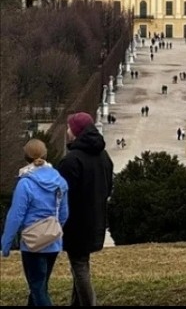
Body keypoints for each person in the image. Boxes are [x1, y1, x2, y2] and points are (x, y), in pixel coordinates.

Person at [2, 139, 70, 307]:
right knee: (40, 286)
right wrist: (53, 230)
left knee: (37, 288)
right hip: (53, 241)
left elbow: (16, 215)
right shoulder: (59, 181)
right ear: (45, 154)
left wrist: (6, 243)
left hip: (32, 242)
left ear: (26, 157)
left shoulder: (25, 183)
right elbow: (64, 213)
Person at [58, 112, 114, 306]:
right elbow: (108, 187)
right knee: (81, 263)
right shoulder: (103, 156)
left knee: (79, 266)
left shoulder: (71, 160)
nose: (67, 131)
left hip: (76, 222)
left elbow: (62, 195)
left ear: (76, 131)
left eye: (69, 127)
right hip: (96, 218)